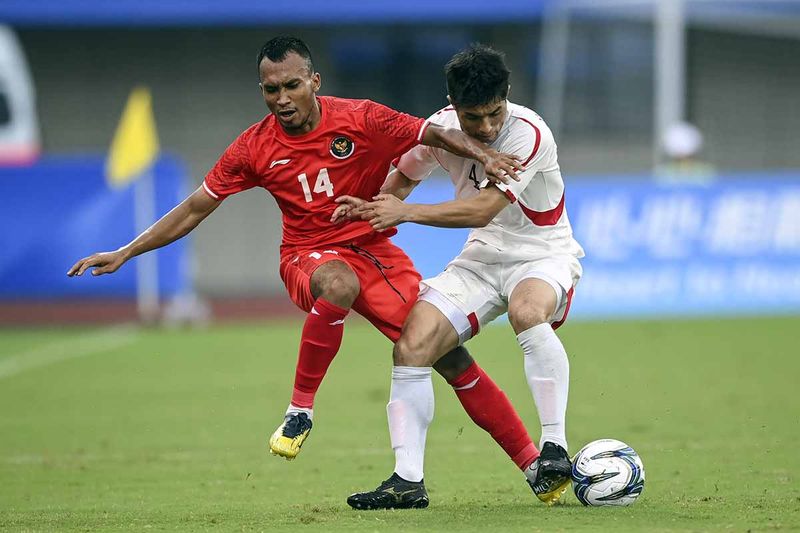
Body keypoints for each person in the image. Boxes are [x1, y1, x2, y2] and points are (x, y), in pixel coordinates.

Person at [67, 37, 544, 496]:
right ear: (262, 91)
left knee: (444, 353)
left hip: (374, 250)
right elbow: (195, 208)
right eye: (271, 89)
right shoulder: (252, 148)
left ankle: (533, 465)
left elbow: (431, 132)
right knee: (338, 282)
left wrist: (484, 152)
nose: (282, 98)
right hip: (307, 254)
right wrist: (127, 251)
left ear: (314, 81)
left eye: (292, 85)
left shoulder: (360, 117)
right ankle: (300, 410)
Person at [338, 44, 585, 509]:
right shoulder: (441, 129)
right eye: (474, 118)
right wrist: (370, 210)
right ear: (453, 106)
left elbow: (484, 207)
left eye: (494, 113)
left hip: (541, 254)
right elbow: (403, 178)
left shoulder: (529, 133)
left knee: (526, 310)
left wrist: (406, 212)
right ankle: (406, 481)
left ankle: (554, 446)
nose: (487, 127)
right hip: (480, 259)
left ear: (507, 95)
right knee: (412, 345)